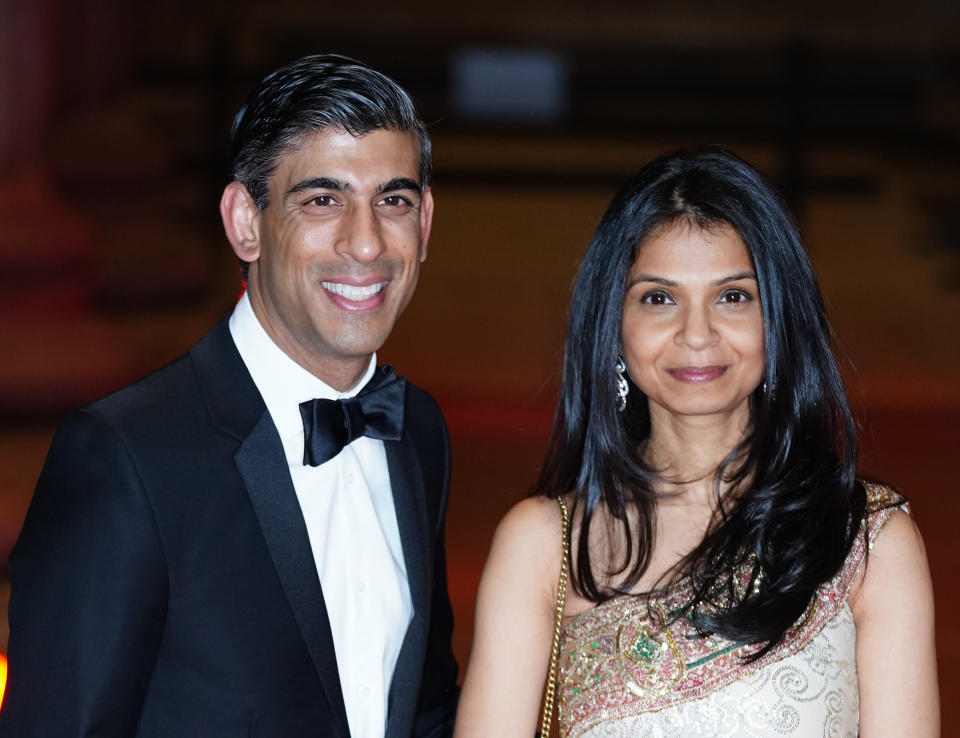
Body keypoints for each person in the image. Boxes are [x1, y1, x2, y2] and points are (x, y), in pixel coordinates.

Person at [1, 54, 458, 738]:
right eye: (322, 200)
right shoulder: (126, 457)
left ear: (423, 224)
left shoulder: (416, 429)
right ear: (245, 221)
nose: (365, 244)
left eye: (391, 201)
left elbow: (424, 709)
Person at [454, 147, 938, 737]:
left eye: (733, 296)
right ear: (614, 326)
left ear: (778, 320)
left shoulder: (865, 542)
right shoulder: (545, 546)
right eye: (659, 298)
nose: (697, 334)